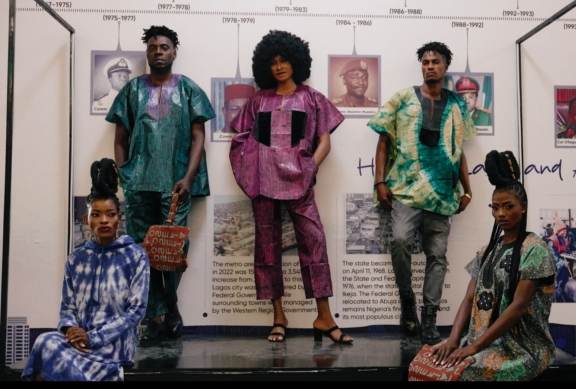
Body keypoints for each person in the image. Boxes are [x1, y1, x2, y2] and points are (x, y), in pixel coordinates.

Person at [228, 30, 351, 344]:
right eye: (273, 62)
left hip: (300, 182)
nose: (279, 66)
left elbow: (325, 142)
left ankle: (324, 317)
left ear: (296, 61)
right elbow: (240, 139)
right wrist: (253, 169)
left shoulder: (312, 98)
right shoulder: (258, 100)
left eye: (284, 60)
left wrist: (309, 168)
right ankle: (278, 316)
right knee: (267, 249)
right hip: (263, 183)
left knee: (315, 242)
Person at [107, 25, 215, 345]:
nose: (158, 51)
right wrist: (126, 175)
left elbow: (198, 137)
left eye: (164, 47)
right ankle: (155, 317)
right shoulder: (132, 90)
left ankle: (170, 303)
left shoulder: (188, 89)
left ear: (174, 52)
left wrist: (188, 177)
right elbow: (120, 139)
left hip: (175, 183)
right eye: (153, 47)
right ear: (147, 53)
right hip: (139, 185)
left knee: (174, 249)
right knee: (145, 251)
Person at [368, 41, 476, 343]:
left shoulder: (456, 105)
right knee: (400, 241)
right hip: (405, 190)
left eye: (435, 62)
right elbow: (383, 141)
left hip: (442, 193)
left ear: (445, 66)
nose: (430, 66)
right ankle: (407, 302)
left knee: (437, 256)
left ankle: (429, 318)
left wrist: (468, 191)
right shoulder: (402, 98)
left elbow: (459, 150)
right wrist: (380, 182)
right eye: (426, 62)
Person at [428, 150, 557, 381]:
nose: (500, 214)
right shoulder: (486, 251)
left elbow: (519, 306)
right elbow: (469, 299)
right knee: (431, 362)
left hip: (522, 347)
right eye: (495, 207)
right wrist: (454, 340)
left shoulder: (535, 250)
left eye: (508, 206)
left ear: (524, 207)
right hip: (483, 340)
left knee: (465, 372)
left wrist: (474, 347)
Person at [21, 159, 150, 381]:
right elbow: (68, 307)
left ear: (119, 219)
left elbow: (136, 311)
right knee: (44, 341)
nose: (104, 220)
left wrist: (94, 338)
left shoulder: (136, 256)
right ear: (86, 219)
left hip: (114, 344)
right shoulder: (76, 258)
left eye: (110, 214)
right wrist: (71, 330)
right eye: (96, 214)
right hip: (79, 341)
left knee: (54, 366)